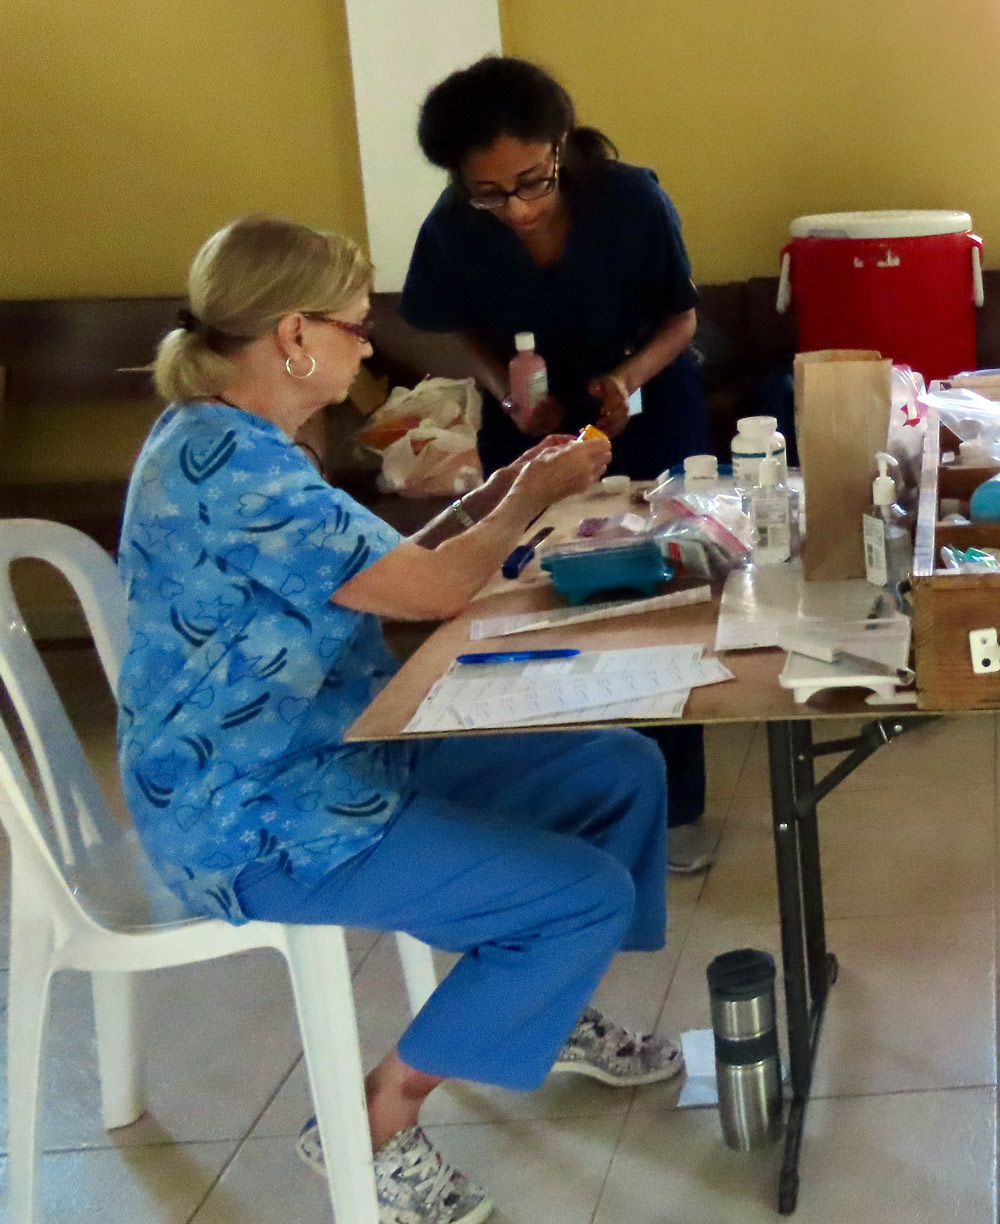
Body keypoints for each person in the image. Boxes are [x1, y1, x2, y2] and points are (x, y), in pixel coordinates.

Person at [117, 215, 684, 1224]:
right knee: (580, 894)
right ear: (292, 335)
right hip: (256, 811)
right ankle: (366, 1124)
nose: (366, 342)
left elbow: (380, 573)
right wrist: (523, 505)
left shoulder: (242, 442)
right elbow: (424, 597)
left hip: (340, 750)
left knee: (619, 769)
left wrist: (505, 487)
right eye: (351, 323)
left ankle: (539, 1003)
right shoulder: (230, 466)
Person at [401, 55, 716, 873]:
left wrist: (626, 380)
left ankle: (674, 808)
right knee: (539, 592)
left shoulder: (631, 200)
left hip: (647, 404)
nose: (516, 207)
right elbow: (460, 324)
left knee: (656, 589)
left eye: (533, 181)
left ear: (561, 146)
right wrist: (504, 392)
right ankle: (571, 790)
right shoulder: (453, 225)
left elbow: (681, 319)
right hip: (532, 420)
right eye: (490, 192)